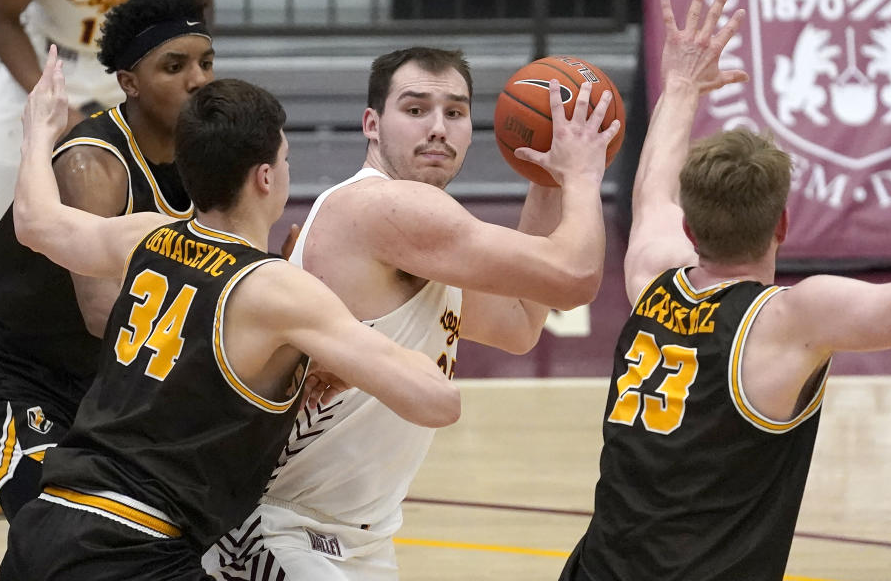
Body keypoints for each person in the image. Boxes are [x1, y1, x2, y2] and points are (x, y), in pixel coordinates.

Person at [0, 48, 460, 581]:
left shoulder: (146, 236)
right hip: (132, 548)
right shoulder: (279, 291)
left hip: (45, 522)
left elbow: (35, 222)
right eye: (286, 161)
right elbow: (437, 402)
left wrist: (38, 130)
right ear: (266, 178)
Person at [207, 47, 622, 579]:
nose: (438, 129)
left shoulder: (421, 231)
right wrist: (585, 177)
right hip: (276, 531)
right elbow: (576, 278)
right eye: (416, 109)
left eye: (454, 112)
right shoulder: (384, 208)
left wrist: (547, 177)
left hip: (355, 538)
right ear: (372, 124)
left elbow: (519, 324)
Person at [560, 0, 891, 581]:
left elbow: (650, 195)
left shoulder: (653, 280)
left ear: (690, 226)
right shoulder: (790, 321)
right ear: (784, 224)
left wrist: (683, 85)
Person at [0, 0, 215, 521]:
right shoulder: (92, 165)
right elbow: (102, 313)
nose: (198, 81)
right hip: (20, 362)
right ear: (129, 83)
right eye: (174, 67)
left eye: (207, 62)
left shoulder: (208, 153)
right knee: (49, 520)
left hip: (105, 375)